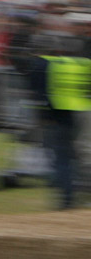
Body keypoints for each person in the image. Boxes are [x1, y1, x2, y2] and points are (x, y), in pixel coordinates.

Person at [27, 33, 91, 209]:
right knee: (81, 156)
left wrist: (42, 119)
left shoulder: (42, 65)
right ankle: (81, 194)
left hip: (58, 117)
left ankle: (66, 200)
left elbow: (40, 97)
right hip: (83, 113)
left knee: (61, 159)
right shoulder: (82, 63)